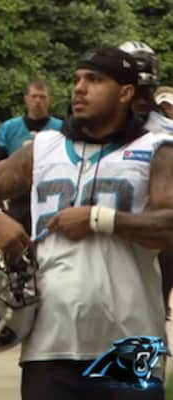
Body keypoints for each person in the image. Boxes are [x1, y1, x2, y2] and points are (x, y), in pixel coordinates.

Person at [0, 47, 173, 399]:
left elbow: (169, 225)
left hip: (132, 341)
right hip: (49, 341)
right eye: (76, 79)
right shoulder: (44, 147)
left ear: (125, 92)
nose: (79, 88)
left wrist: (98, 219)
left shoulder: (157, 149)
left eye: (94, 80)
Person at [118, 41, 173, 320]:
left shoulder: (167, 131)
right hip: (110, 233)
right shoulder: (95, 128)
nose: (142, 98)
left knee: (151, 309)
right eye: (136, 90)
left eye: (147, 90)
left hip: (156, 233)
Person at [0, 79, 62, 232]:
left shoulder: (61, 129)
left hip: (48, 193)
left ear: (50, 100)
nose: (38, 101)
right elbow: (0, 164)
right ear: (26, 99)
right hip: (17, 195)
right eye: (34, 96)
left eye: (42, 97)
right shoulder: (9, 128)